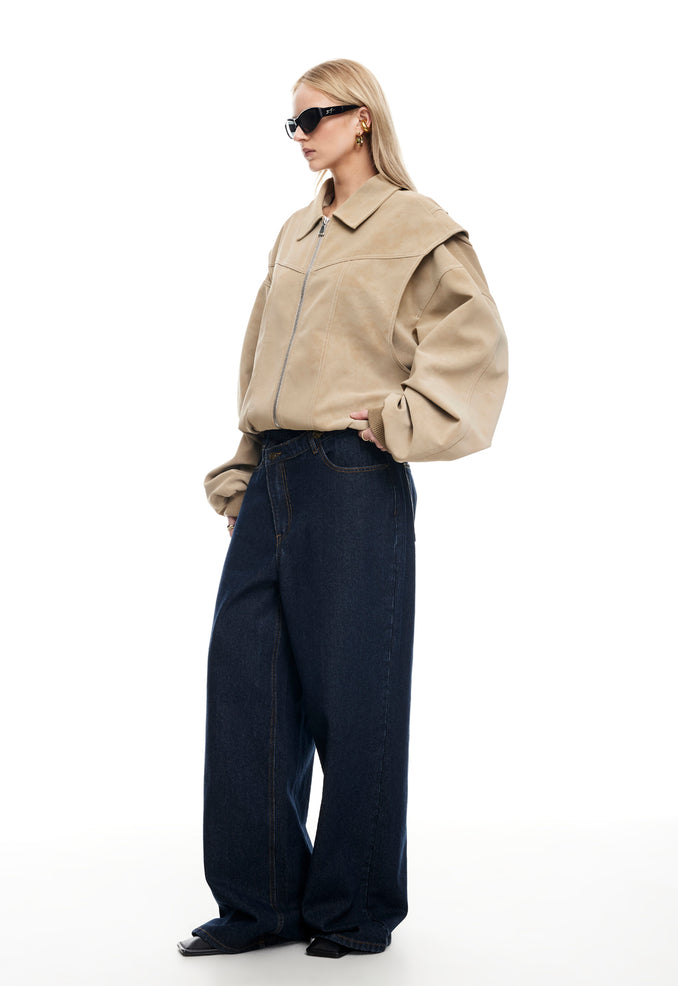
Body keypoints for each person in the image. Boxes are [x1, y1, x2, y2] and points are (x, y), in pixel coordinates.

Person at [177, 58, 508, 960]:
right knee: (246, 689)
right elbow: (260, 357)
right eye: (291, 122)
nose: (300, 135)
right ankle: (260, 905)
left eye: (314, 117)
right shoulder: (297, 229)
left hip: (352, 472)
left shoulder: (415, 223)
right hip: (274, 474)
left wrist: (400, 419)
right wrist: (243, 468)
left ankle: (355, 907)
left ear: (362, 118)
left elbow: (475, 340)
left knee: (355, 694)